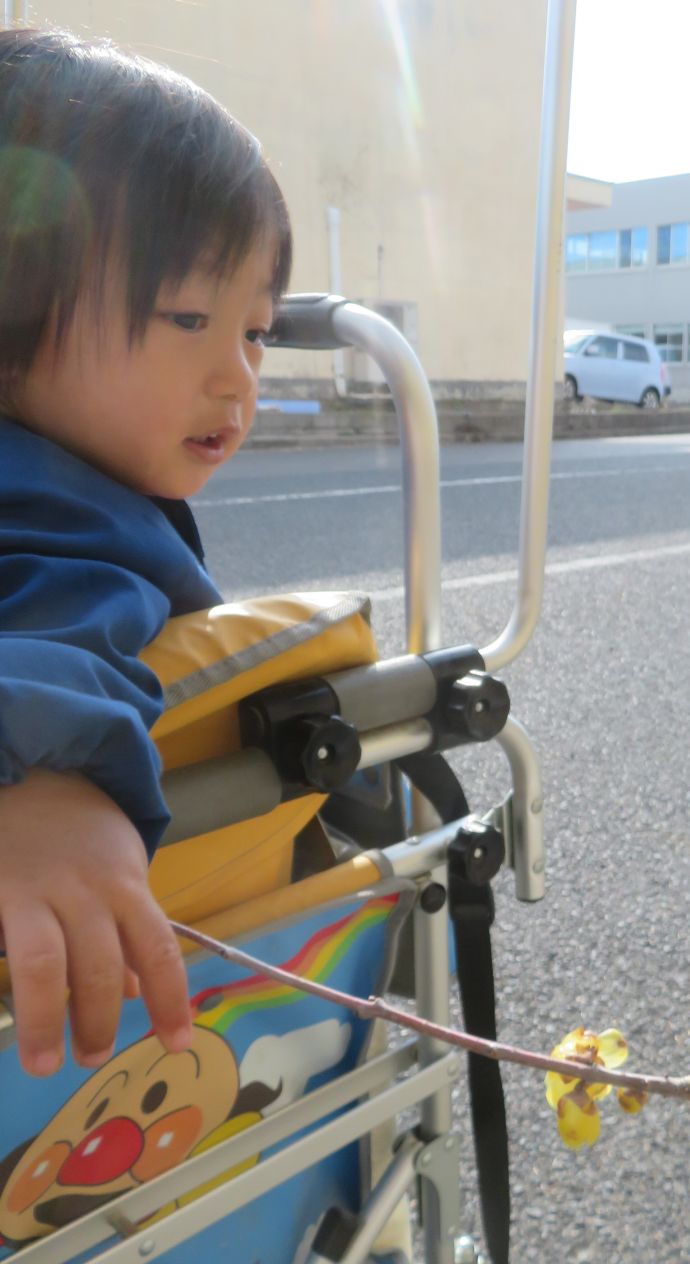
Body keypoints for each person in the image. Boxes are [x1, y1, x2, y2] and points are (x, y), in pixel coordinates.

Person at [0, 28, 292, 1078]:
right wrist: (39, 784)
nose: (239, 377)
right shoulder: (73, 519)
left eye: (255, 331)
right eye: (187, 314)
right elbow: (52, 631)